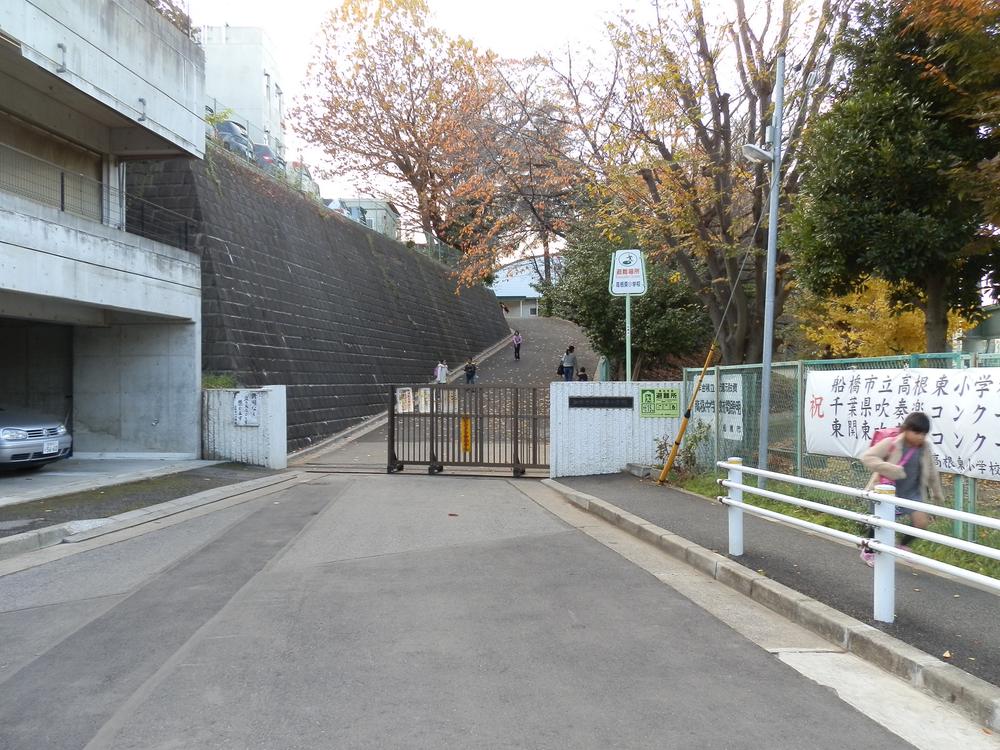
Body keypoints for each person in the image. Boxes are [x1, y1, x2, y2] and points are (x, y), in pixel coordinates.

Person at [858, 411, 944, 566]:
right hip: (888, 490)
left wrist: (938, 494)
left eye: (924, 434)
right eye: (916, 432)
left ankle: (902, 545)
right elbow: (867, 458)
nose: (920, 437)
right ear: (906, 429)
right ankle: (868, 550)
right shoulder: (891, 443)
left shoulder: (925, 448)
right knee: (881, 523)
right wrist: (890, 468)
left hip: (912, 492)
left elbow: (932, 472)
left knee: (921, 523)